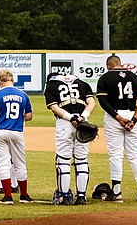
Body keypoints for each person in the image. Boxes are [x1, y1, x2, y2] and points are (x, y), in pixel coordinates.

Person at [96, 54, 137, 203]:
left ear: (108, 66)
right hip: (132, 115)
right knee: (134, 155)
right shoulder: (134, 77)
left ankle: (117, 193)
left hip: (114, 117)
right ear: (120, 63)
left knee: (115, 155)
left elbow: (103, 102)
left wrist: (118, 118)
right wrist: (133, 120)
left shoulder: (105, 78)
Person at [44, 70, 97, 205]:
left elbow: (55, 108)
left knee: (63, 160)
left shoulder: (51, 86)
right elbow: (92, 103)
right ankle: (81, 197)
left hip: (64, 123)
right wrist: (81, 117)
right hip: (82, 122)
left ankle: (63, 196)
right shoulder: (82, 83)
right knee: (81, 160)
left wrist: (71, 117)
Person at [0, 70, 34, 205]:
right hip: (17, 131)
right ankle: (24, 195)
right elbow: (29, 116)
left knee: (2, 163)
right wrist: (18, 118)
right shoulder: (23, 94)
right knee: (20, 164)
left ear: (0, 81)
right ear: (12, 80)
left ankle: (7, 196)